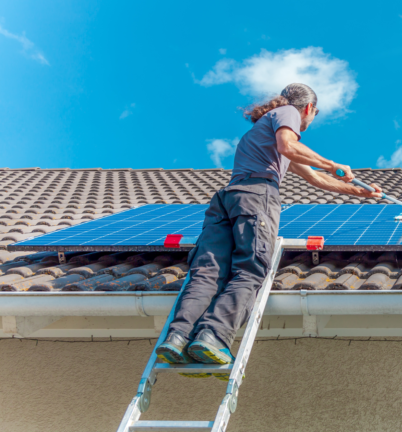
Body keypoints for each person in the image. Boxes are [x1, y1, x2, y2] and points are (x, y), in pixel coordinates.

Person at [156, 83, 381, 366]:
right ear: (308, 108)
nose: (308, 122)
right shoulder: (287, 113)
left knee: (208, 272)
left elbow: (313, 178)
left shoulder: (261, 130)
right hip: (256, 196)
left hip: (227, 199)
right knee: (250, 269)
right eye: (312, 116)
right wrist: (333, 164)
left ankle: (177, 337)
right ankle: (212, 336)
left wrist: (361, 192)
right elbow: (290, 146)